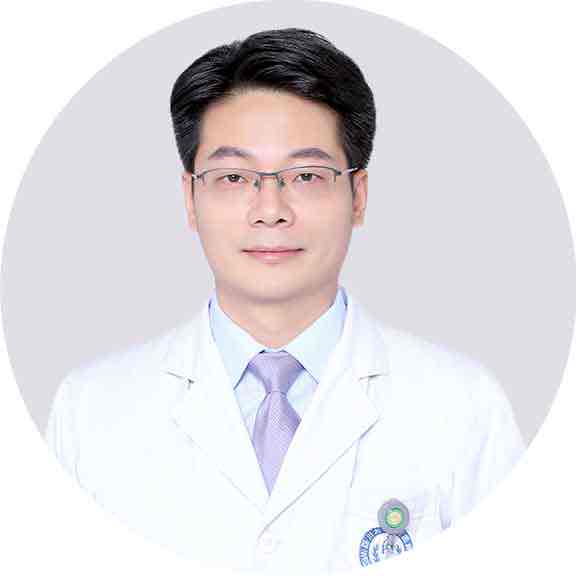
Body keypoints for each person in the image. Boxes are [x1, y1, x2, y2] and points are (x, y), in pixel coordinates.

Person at [45, 28, 525, 572]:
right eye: (233, 176)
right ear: (190, 198)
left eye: (306, 175)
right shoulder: (90, 412)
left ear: (358, 195)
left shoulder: (464, 408)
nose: (270, 210)